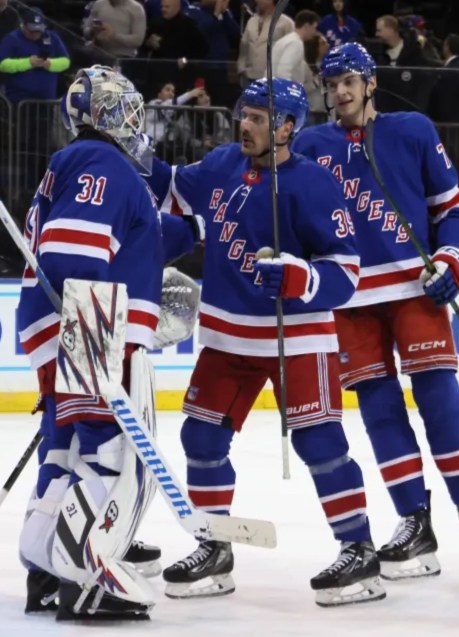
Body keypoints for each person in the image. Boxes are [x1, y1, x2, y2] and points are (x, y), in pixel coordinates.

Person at [152, 78, 386, 607]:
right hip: (227, 334)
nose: (246, 125)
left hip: (297, 337)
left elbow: (346, 271)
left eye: (258, 118)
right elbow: (170, 186)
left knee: (320, 444)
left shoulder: (313, 184)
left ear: (286, 127)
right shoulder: (220, 164)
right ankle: (214, 546)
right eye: (244, 114)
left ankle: (359, 550)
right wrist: (129, 149)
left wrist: (300, 277)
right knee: (201, 439)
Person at [293, 43, 459, 580]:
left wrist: (452, 256)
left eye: (349, 80)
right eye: (332, 81)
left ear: (369, 82)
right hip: (350, 299)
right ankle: (415, 522)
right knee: (380, 412)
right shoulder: (310, 144)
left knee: (439, 396)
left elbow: (451, 208)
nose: (339, 90)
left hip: (416, 287)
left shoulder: (412, 128)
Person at [16, 66, 166, 621]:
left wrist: (188, 232)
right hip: (91, 324)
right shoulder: (101, 162)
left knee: (65, 446)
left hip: (64, 326)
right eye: (124, 108)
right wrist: (93, 330)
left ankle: (47, 567)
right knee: (108, 449)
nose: (134, 119)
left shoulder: (88, 166)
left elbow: (122, 235)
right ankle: (87, 574)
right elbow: (70, 254)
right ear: (101, 113)